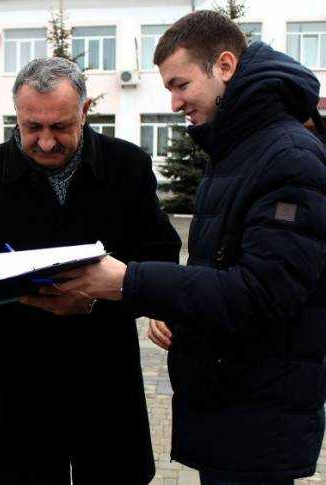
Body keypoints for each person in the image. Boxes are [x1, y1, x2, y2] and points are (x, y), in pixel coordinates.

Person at [53, 11, 326, 485]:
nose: (175, 102)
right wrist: (179, 312)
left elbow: (264, 293)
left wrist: (130, 281)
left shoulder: (288, 156)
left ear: (224, 66)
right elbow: (226, 268)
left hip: (258, 417)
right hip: (231, 404)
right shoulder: (240, 149)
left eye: (181, 85)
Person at [0, 57, 181, 484]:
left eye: (60, 127)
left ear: (85, 112)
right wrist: (17, 287)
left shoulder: (127, 167)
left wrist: (108, 289)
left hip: (105, 377)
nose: (45, 142)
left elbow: (161, 254)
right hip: (17, 381)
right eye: (32, 127)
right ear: (17, 114)